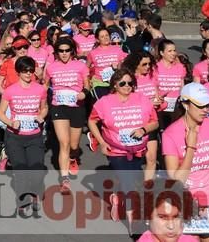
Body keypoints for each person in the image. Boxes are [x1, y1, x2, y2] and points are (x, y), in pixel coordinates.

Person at [88, 68, 159, 226]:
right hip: (116, 150)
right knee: (129, 182)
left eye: (130, 83)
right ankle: (133, 222)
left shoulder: (143, 99)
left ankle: (115, 196)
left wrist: (143, 129)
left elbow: (155, 122)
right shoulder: (104, 103)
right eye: (123, 83)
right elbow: (92, 121)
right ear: (114, 85)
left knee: (131, 178)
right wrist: (102, 141)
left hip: (138, 149)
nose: (127, 86)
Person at [163, 83, 209, 240]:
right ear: (185, 104)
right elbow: (177, 180)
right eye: (200, 105)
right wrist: (191, 147)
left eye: (207, 104)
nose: (205, 109)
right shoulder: (170, 134)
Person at [0, 56, 47, 213]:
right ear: (18, 72)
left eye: (31, 71)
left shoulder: (40, 89)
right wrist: (11, 123)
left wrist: (41, 116)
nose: (28, 74)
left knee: (36, 167)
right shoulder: (10, 90)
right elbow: (0, 113)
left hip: (34, 135)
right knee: (20, 168)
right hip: (15, 136)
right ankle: (23, 197)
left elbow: (44, 108)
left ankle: (34, 192)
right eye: (25, 71)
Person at [44, 38, 90, 192]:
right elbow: (44, 86)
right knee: (63, 143)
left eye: (67, 50)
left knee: (73, 145)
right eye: (61, 51)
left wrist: (83, 94)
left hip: (76, 107)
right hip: (59, 107)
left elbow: (87, 86)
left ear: (72, 51)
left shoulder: (80, 66)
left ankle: (73, 158)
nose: (64, 54)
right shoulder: (51, 68)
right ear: (57, 52)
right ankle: (65, 180)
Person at [122, 52, 163, 183]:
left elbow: (157, 95)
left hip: (150, 122)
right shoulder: (128, 80)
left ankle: (147, 191)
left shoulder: (152, 76)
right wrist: (148, 104)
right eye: (144, 64)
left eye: (149, 64)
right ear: (135, 65)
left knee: (151, 159)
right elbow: (124, 101)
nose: (147, 67)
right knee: (131, 161)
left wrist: (160, 101)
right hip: (133, 122)